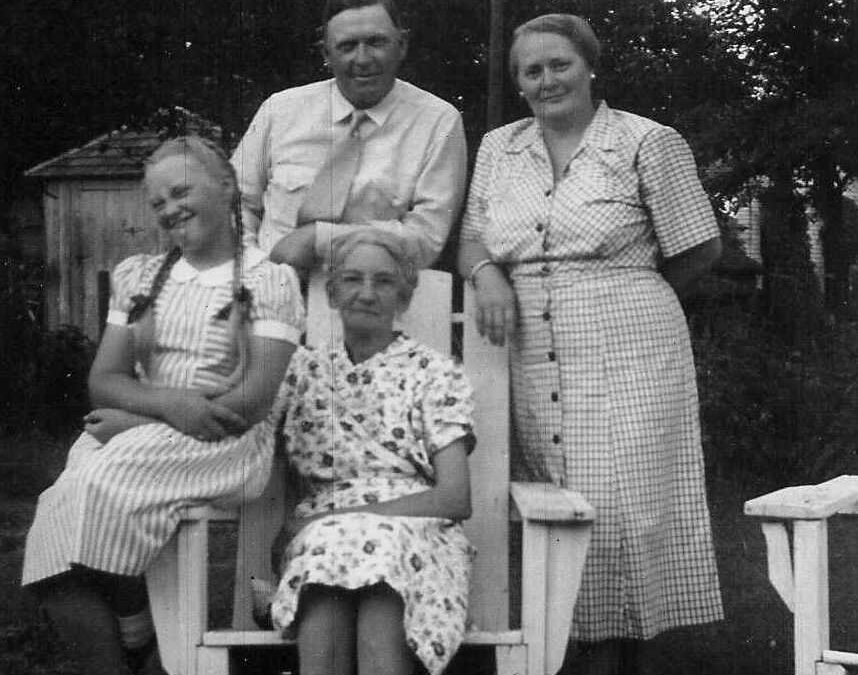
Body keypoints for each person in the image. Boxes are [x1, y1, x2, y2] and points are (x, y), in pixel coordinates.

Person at [458, 14, 723, 675]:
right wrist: (487, 273)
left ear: (589, 66)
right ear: (518, 82)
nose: (547, 80)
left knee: (622, 505)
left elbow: (700, 247)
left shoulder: (645, 141)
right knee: (558, 498)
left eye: (560, 64)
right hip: (532, 347)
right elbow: (471, 238)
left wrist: (625, 296)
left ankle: (614, 655)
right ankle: (588, 647)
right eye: (532, 70)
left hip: (631, 347)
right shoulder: (499, 147)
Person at [21, 136, 305, 675]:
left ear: (227, 187)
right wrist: (166, 406)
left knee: (92, 487)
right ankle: (135, 630)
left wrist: (136, 415)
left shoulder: (269, 280)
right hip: (142, 435)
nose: (170, 208)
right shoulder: (140, 277)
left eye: (181, 192)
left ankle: (135, 630)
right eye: (158, 202)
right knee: (52, 540)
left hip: (223, 443)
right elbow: (104, 381)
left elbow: (248, 401)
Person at [266, 229, 475, 675]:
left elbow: (455, 497)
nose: (366, 293)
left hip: (413, 531)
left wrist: (342, 518)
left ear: (404, 295)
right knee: (325, 580)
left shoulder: (434, 372)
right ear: (332, 293)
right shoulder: (301, 369)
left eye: (383, 281)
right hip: (323, 541)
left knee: (379, 567)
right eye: (352, 279)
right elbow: (243, 426)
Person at [230, 0, 467, 275]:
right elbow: (233, 204)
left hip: (371, 291)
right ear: (326, 53)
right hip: (266, 281)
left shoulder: (438, 122)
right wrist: (254, 269)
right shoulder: (280, 110)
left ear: (402, 45)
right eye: (347, 46)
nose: (363, 59)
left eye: (376, 42)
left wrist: (320, 240)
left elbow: (427, 237)